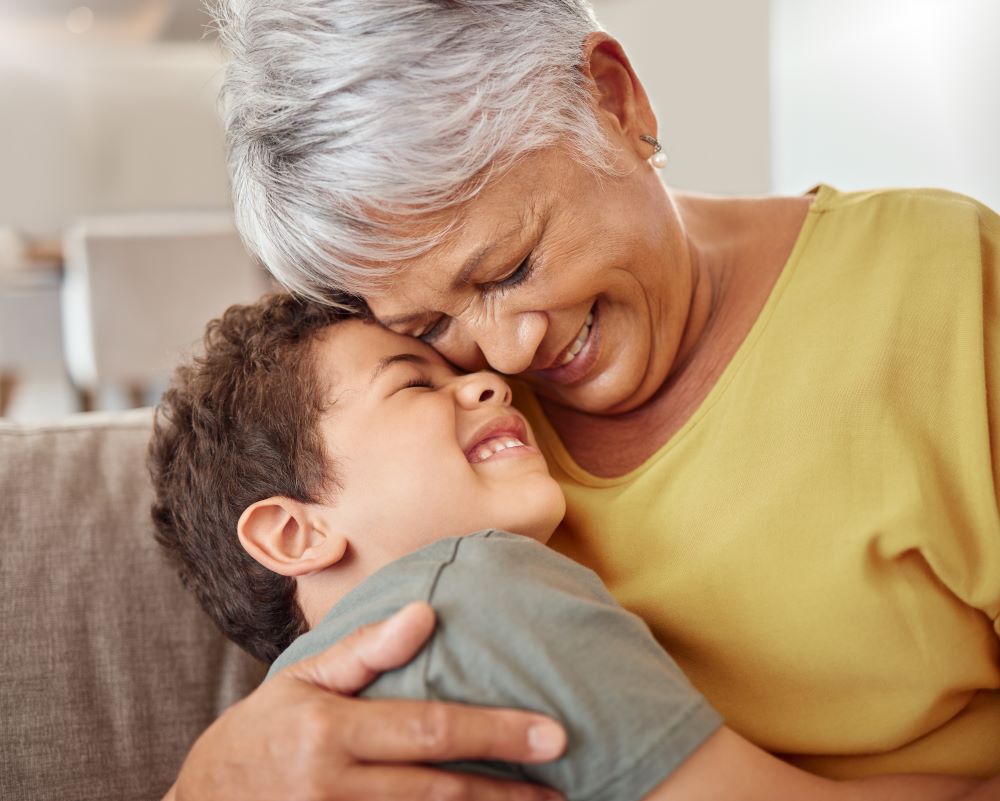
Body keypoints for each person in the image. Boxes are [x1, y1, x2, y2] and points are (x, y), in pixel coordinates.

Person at [167, 1, 1000, 798]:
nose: (502, 355)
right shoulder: (440, 459)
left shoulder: (945, 286)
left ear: (613, 96)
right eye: (427, 326)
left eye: (510, 268)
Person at [150, 293, 980, 801]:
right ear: (294, 531)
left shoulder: (272, 730)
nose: (491, 379)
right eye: (412, 381)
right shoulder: (479, 593)